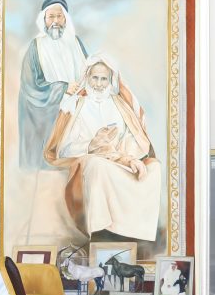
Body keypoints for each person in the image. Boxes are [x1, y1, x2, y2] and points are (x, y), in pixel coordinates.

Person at [44, 56, 162, 241]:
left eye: (103, 79)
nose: (99, 84)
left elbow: (133, 138)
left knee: (154, 167)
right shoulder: (77, 105)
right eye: (95, 78)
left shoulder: (119, 104)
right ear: (87, 77)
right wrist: (92, 145)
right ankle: (103, 232)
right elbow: (65, 148)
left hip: (121, 160)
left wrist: (126, 156)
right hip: (93, 159)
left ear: (110, 80)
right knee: (97, 165)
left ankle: (135, 233)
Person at [19, 0, 88, 170]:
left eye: (59, 16)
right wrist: (63, 88)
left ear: (65, 19)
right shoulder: (36, 47)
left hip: (77, 106)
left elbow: (89, 72)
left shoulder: (76, 42)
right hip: (48, 110)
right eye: (51, 17)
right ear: (44, 20)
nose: (55, 21)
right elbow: (30, 86)